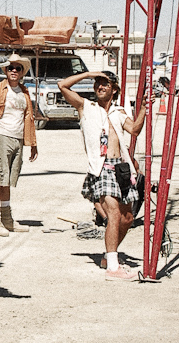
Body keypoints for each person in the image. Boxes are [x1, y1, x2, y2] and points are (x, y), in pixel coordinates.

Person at [57, 70, 146, 282]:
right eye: (97, 83)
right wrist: (89, 73)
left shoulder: (118, 111)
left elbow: (134, 129)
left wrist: (144, 108)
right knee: (113, 214)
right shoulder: (86, 107)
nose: (100, 86)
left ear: (114, 89)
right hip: (101, 167)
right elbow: (63, 85)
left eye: (105, 83)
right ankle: (113, 268)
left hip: (121, 169)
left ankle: (109, 256)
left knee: (127, 218)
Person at [0, 53, 38, 237]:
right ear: (5, 70)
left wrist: (32, 143)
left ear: (22, 72)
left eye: (17, 68)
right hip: (0, 136)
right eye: (10, 67)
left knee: (8, 181)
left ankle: (7, 219)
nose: (13, 71)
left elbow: (29, 118)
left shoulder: (24, 92)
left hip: (17, 139)